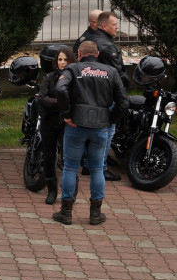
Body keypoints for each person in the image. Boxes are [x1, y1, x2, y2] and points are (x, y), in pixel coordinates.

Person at [53, 40, 128, 227]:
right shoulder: (111, 72)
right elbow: (124, 102)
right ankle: (95, 213)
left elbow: (60, 89)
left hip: (76, 125)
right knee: (96, 168)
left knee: (71, 167)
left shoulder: (73, 69)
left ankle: (66, 212)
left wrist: (67, 114)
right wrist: (110, 119)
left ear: (79, 54)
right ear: (98, 53)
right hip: (100, 126)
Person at [35, 47, 75, 205]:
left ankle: (71, 191)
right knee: (48, 156)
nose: (62, 63)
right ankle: (51, 189)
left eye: (65, 60)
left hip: (67, 123)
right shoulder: (49, 78)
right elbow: (42, 98)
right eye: (60, 59)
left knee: (68, 157)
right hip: (49, 122)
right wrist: (60, 102)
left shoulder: (74, 79)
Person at [94, 11, 130, 181]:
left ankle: (91, 165)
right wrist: (125, 88)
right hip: (107, 94)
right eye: (114, 25)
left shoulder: (93, 39)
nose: (117, 28)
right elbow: (118, 73)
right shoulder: (107, 47)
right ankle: (100, 168)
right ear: (103, 26)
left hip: (95, 93)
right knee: (108, 131)